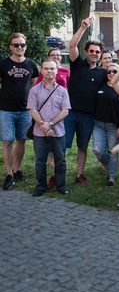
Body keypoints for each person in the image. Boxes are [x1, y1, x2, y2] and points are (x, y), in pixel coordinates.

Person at [65, 17, 107, 186]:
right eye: (92, 51)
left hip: (88, 116)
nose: (94, 54)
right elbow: (72, 46)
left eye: (97, 52)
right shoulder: (77, 64)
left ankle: (79, 174)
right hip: (70, 113)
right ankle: (57, 174)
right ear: (87, 51)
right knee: (63, 146)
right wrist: (82, 28)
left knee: (83, 147)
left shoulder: (102, 73)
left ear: (100, 55)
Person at [0, 33, 39, 189]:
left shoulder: (31, 64)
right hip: (6, 110)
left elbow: (33, 84)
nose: (20, 47)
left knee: (21, 140)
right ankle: (9, 174)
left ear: (25, 47)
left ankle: (17, 170)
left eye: (22, 45)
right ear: (10, 47)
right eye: (16, 45)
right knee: (8, 141)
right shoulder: (3, 64)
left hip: (25, 110)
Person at [27, 60, 71, 196]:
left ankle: (61, 185)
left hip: (58, 132)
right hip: (39, 133)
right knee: (40, 161)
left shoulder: (63, 91)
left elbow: (65, 111)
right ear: (41, 71)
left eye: (52, 68)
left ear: (57, 71)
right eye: (46, 68)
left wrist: (50, 124)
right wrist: (43, 126)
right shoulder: (34, 90)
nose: (49, 71)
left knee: (60, 160)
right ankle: (41, 186)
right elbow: (32, 109)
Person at [92, 63, 119, 187]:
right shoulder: (101, 85)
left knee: (113, 151)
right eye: (108, 71)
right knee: (97, 150)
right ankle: (111, 166)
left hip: (113, 125)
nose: (111, 74)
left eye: (114, 71)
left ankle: (111, 176)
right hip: (98, 124)